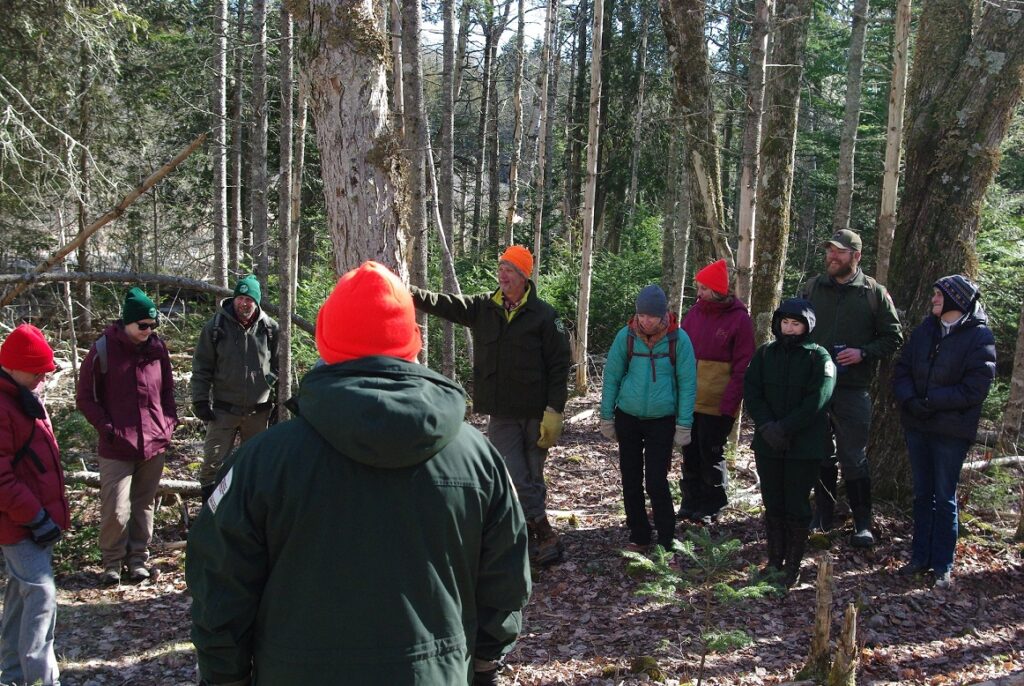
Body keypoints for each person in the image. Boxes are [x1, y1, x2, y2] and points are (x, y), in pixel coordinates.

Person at [187, 261, 531, 685]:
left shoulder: (264, 460)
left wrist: (225, 675)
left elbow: (219, 586)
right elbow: (506, 580)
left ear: (325, 342)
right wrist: (482, 665)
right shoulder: (478, 458)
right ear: (414, 342)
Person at [410, 245, 571, 566]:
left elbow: (559, 366)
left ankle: (531, 542)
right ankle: (546, 534)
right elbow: (447, 305)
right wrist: (410, 292)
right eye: (501, 268)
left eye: (509, 270)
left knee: (533, 476)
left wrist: (555, 410)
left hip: (537, 412)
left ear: (524, 277)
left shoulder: (544, 316)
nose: (502, 274)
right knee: (514, 472)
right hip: (502, 412)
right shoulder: (484, 307)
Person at [799, 229, 902, 547]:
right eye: (830, 251)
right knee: (819, 454)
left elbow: (893, 337)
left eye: (839, 252)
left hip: (853, 389)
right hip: (815, 388)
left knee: (854, 457)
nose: (832, 256)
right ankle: (821, 517)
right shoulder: (812, 287)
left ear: (856, 257)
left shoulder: (873, 292)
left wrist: (863, 352)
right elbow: (792, 327)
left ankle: (862, 524)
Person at [892, 275, 995, 589]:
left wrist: (932, 401)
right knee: (922, 494)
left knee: (944, 496)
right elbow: (903, 368)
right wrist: (910, 400)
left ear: (955, 300)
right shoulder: (926, 330)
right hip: (918, 424)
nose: (934, 299)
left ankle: (942, 565)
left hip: (951, 430)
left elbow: (976, 388)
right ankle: (919, 557)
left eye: (939, 295)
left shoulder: (979, 337)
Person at [77, 286, 178, 584]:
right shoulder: (103, 350)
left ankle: (138, 560)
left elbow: (168, 392)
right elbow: (85, 398)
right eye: (143, 325)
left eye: (152, 325)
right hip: (116, 447)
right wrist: (108, 430)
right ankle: (111, 563)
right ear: (127, 322)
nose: (148, 330)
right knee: (116, 509)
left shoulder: (157, 349)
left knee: (143, 506)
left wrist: (168, 424)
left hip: (154, 444)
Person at [744, 299, 836, 588]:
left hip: (803, 445)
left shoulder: (818, 357)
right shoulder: (764, 355)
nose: (789, 328)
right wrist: (767, 426)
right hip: (768, 441)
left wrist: (785, 427)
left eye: (796, 324)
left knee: (796, 504)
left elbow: (818, 399)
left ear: (807, 326)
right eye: (785, 322)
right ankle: (774, 562)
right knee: (773, 502)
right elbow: (752, 391)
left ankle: (792, 568)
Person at [599, 285, 696, 553]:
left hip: (662, 420)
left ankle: (666, 538)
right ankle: (639, 534)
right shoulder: (626, 336)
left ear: (663, 314)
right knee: (630, 479)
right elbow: (612, 376)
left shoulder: (679, 340)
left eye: (651, 316)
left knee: (656, 480)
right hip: (627, 416)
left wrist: (684, 424)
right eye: (641, 315)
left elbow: (688, 384)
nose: (645, 321)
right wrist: (606, 415)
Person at [0, 325, 70, 686]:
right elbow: (2, 479)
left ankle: (11, 675)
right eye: (37, 371)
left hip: (29, 521)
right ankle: (41, 680)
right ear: (13, 367)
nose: (43, 377)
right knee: (41, 595)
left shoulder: (23, 396)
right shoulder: (3, 405)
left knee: (20, 593)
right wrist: (36, 516)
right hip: (17, 524)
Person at [678, 259, 755, 524]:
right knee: (689, 452)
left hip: (718, 403)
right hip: (689, 400)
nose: (699, 293)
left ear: (717, 289)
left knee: (711, 453)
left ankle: (712, 505)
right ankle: (690, 502)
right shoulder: (695, 314)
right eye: (698, 287)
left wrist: (729, 405)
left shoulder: (739, 319)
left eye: (703, 288)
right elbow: (680, 353)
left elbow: (743, 367)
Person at [191, 274, 279, 501]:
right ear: (234, 299)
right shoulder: (215, 327)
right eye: (240, 298)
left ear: (257, 302)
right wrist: (200, 401)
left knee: (257, 465)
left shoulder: (270, 329)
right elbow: (202, 367)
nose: (244, 303)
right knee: (212, 464)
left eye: (250, 299)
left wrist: (277, 400)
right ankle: (210, 514)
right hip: (223, 411)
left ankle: (252, 513)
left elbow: (279, 367)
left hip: (259, 413)